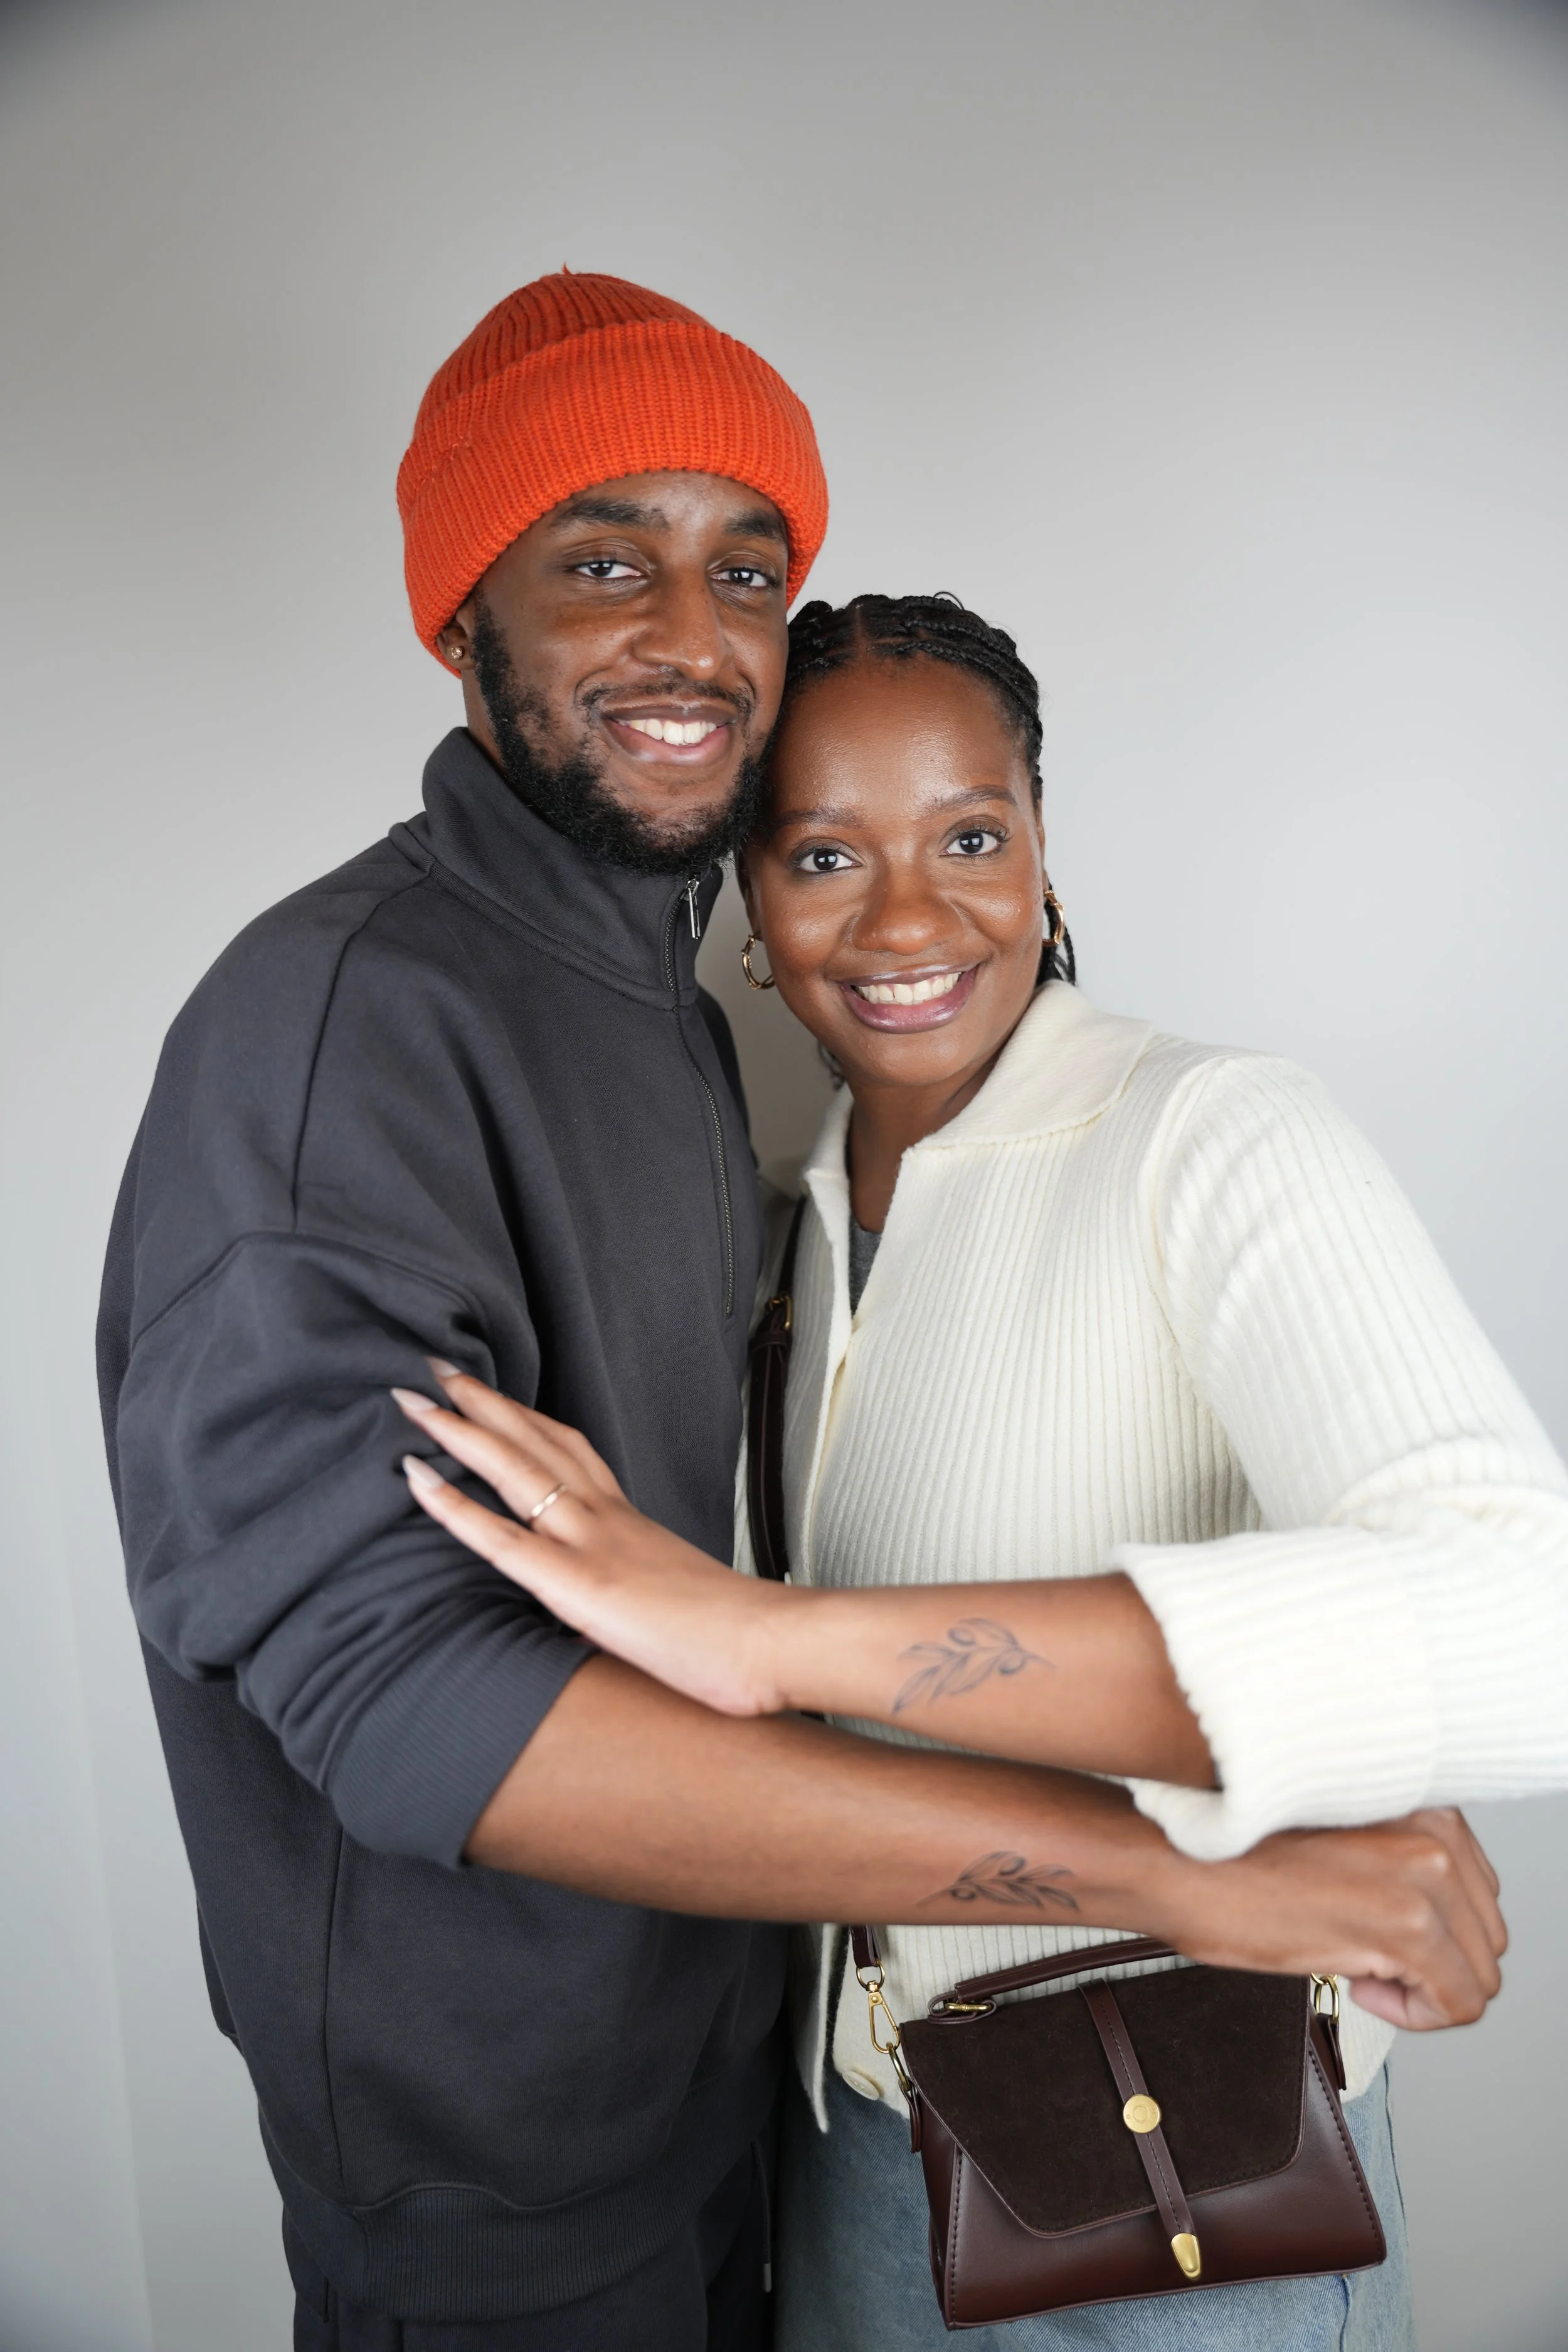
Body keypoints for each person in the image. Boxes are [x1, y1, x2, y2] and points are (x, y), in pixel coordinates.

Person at [100, 272, 1507, 2352]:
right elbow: (417, 1706)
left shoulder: (770, 1062)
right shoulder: (351, 1037)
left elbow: (1493, 1607)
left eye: (741, 563)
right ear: (458, 615)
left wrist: (1298, 1727)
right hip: (523, 2183)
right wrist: (1184, 1866)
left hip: (879, 2125)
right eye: (601, 559)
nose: (687, 632)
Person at [395, 591, 1567, 2349]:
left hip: (1193, 2171)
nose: (910, 919)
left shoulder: (1209, 1132)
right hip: (854, 2138)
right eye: (820, 855)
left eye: (968, 834)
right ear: (746, 905)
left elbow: (1521, 1620)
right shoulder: (778, 1217)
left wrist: (769, 1638)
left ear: (1043, 851)